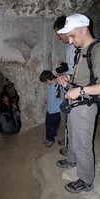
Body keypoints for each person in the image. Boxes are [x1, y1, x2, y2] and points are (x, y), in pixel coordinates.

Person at [55, 13, 100, 194]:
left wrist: (80, 91)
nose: (70, 40)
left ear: (84, 29)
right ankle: (72, 159)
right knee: (72, 136)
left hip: (86, 105)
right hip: (76, 103)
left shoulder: (97, 50)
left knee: (83, 145)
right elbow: (83, 77)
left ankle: (86, 180)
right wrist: (68, 79)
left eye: (72, 35)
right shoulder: (83, 49)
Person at [53, 15, 76, 156]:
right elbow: (72, 66)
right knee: (66, 117)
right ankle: (68, 140)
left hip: (75, 87)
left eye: (58, 33)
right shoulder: (69, 46)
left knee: (73, 120)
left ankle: (71, 148)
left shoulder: (76, 45)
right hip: (68, 85)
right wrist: (65, 66)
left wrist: (66, 75)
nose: (58, 37)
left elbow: (80, 71)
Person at [39, 70, 63, 147]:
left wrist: (58, 95)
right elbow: (50, 94)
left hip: (55, 110)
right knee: (47, 124)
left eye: (46, 82)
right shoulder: (50, 84)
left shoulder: (58, 85)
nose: (46, 84)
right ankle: (48, 137)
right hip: (49, 108)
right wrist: (47, 99)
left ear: (49, 80)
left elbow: (63, 97)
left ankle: (51, 139)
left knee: (53, 126)